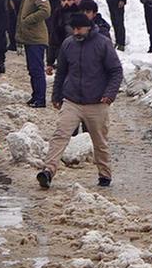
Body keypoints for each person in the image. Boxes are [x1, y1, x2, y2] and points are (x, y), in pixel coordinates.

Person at [38, 11, 123, 189]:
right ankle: (48, 171)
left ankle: (104, 175)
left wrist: (109, 94)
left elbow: (116, 71)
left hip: (98, 102)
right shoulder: (68, 44)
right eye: (73, 29)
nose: (76, 32)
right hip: (72, 101)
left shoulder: (103, 44)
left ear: (89, 27)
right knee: (60, 135)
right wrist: (56, 95)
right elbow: (61, 72)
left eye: (79, 29)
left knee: (99, 141)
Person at [17, 0, 51, 107]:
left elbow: (45, 10)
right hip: (30, 36)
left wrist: (27, 20)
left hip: (36, 37)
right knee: (32, 69)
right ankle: (35, 95)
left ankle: (40, 98)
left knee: (37, 69)